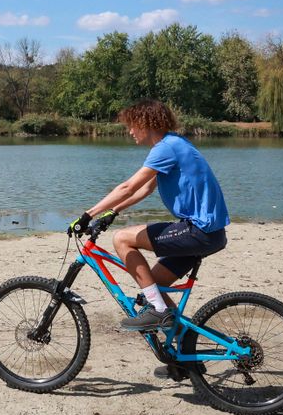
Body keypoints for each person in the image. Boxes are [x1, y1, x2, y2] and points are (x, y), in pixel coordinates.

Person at [73, 99, 229, 332]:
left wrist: (88, 214)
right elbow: (146, 188)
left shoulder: (165, 148)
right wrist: (112, 211)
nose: (130, 131)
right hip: (209, 233)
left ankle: (158, 311)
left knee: (122, 239)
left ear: (145, 123)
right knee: (152, 287)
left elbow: (128, 187)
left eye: (132, 125)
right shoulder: (174, 144)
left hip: (199, 231)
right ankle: (181, 355)